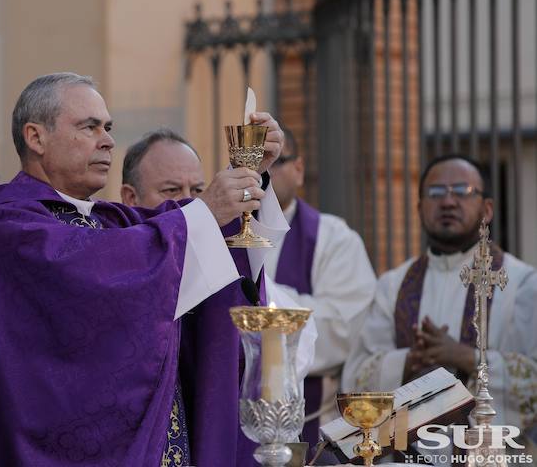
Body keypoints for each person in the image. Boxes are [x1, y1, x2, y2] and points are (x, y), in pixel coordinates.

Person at [0, 73, 316, 466]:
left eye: (109, 127)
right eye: (89, 127)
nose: (108, 140)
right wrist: (205, 212)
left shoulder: (109, 221)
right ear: (36, 137)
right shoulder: (6, 227)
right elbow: (103, 269)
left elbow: (170, 235)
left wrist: (250, 179)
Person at [120, 128, 318, 465]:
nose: (194, 204)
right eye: (171, 191)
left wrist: (253, 174)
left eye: (199, 190)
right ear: (130, 199)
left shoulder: (224, 256)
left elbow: (289, 339)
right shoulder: (121, 256)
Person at [343, 154, 537, 456]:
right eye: (436, 193)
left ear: (487, 209)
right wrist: (409, 359)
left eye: (462, 191)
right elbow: (357, 375)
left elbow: (533, 379)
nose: (448, 202)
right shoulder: (393, 286)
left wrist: (465, 356)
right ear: (420, 208)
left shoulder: (522, 283)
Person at [262, 127, 375, 451]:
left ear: (298, 169)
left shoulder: (335, 239)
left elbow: (342, 328)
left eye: (274, 162)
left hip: (313, 426)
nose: (262, 174)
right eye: (254, 164)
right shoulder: (226, 235)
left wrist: (262, 302)